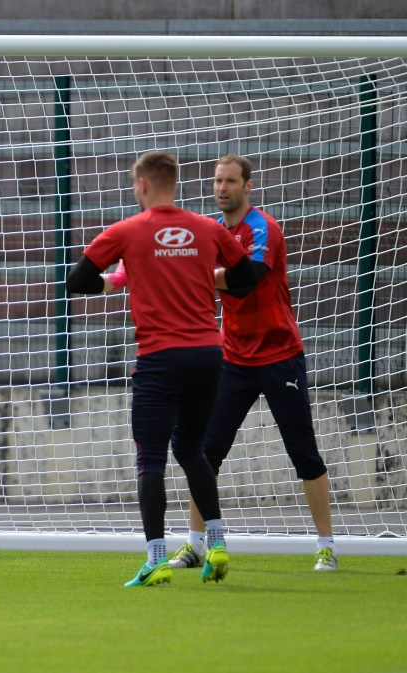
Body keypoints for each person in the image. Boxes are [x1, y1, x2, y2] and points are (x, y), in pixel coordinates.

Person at [66, 151, 257, 587]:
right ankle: (219, 543)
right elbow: (246, 278)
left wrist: (128, 277)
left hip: (160, 357)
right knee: (192, 451)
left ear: (144, 185)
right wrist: (189, 272)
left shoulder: (128, 232)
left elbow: (77, 281)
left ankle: (155, 559)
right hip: (210, 355)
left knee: (150, 459)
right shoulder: (208, 229)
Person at [168, 154, 337, 572]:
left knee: (304, 453)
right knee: (204, 451)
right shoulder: (209, 233)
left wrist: (196, 273)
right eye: (217, 181)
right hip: (234, 358)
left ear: (248, 186)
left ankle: (326, 546)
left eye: (230, 181)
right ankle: (194, 544)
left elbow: (249, 277)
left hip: (279, 355)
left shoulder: (263, 228)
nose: (222, 188)